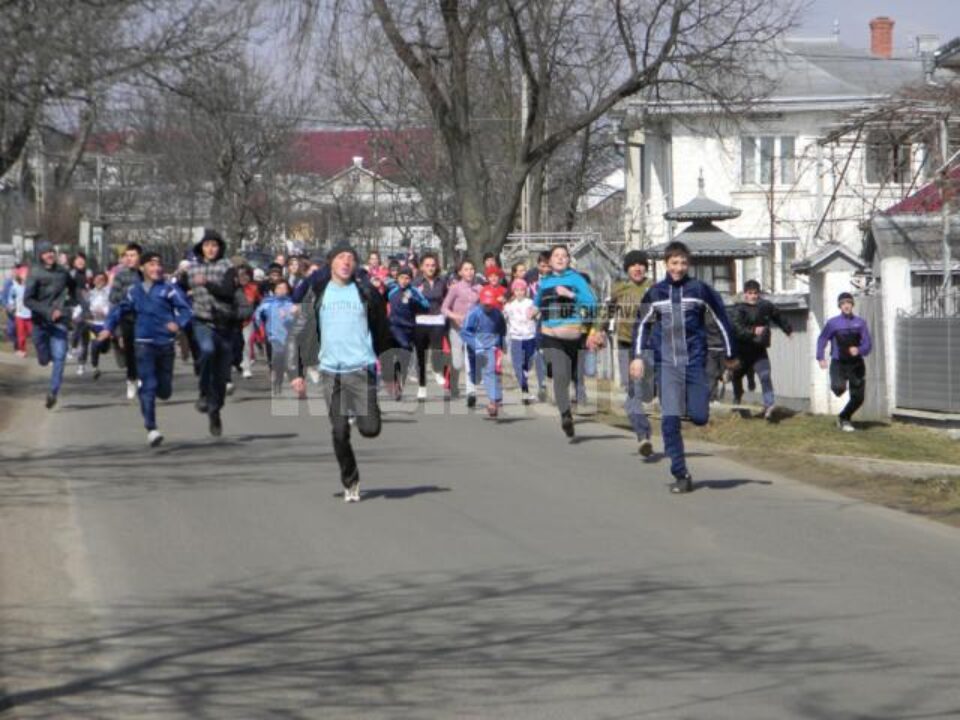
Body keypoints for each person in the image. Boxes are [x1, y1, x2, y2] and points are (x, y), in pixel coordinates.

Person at [288, 243, 392, 503]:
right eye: (341, 258)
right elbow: (298, 334)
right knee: (338, 432)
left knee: (370, 429)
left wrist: (390, 371)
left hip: (361, 368)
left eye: (351, 259)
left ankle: (361, 415)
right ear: (331, 263)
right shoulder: (317, 294)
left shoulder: (366, 293)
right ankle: (351, 480)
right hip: (331, 371)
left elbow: (382, 332)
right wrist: (296, 372)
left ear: (355, 266)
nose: (346, 262)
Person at [630, 241, 736, 494]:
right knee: (669, 421)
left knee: (700, 416)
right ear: (666, 264)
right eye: (674, 263)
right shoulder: (655, 293)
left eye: (683, 263)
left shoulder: (699, 290)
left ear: (688, 265)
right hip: (666, 364)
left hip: (694, 360)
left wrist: (730, 353)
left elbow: (721, 319)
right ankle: (681, 474)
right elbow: (641, 325)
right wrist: (637, 356)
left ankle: (688, 405)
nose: (678, 268)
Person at [99, 252, 192, 447]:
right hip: (143, 344)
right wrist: (108, 328)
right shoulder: (135, 291)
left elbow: (186, 310)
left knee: (165, 391)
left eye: (159, 264)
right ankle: (151, 428)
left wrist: (178, 323)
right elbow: (118, 310)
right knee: (149, 385)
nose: (156, 268)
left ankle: (147, 392)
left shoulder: (168, 290)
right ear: (143, 268)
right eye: (151, 264)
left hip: (165, 345)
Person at [532, 245, 598, 438]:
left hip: (573, 336)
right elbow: (537, 302)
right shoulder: (545, 282)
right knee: (561, 375)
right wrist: (533, 310)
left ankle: (566, 407)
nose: (560, 259)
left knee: (569, 376)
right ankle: (565, 414)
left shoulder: (576, 279)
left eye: (564, 256)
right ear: (550, 261)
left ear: (569, 260)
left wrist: (570, 295)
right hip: (551, 335)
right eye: (556, 256)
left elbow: (592, 304)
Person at [179, 228, 239, 437]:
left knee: (222, 377)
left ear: (219, 247)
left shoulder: (228, 267)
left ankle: (215, 411)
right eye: (207, 245)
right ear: (201, 248)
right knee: (206, 350)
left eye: (214, 245)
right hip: (201, 321)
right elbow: (176, 289)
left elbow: (228, 292)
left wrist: (207, 284)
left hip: (224, 324)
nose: (211, 249)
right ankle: (203, 392)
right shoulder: (192, 268)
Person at [607, 250, 654, 456]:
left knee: (643, 391)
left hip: (647, 345)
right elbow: (605, 311)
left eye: (641, 265)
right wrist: (596, 331)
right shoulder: (619, 288)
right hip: (625, 343)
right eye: (633, 265)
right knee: (631, 391)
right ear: (627, 269)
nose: (637, 268)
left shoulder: (654, 288)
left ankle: (643, 429)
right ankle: (643, 435)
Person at [23, 240, 77, 409]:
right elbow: (27, 300)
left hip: (59, 321)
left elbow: (74, 287)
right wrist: (47, 311)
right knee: (44, 360)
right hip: (40, 322)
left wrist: (73, 304)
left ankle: (53, 392)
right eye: (46, 252)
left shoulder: (63, 272)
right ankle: (45, 358)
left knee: (60, 357)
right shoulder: (35, 273)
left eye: (52, 251)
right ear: (40, 255)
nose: (50, 255)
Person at [730, 279, 793, 419]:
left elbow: (778, 317)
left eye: (755, 293)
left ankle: (769, 405)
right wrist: (753, 330)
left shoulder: (766, 306)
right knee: (737, 377)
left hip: (759, 350)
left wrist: (787, 329)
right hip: (742, 351)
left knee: (765, 376)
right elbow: (737, 329)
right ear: (745, 294)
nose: (753, 296)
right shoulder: (738, 309)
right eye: (750, 293)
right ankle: (737, 400)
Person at [817, 292, 872, 432]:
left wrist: (859, 350)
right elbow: (822, 339)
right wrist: (820, 357)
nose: (846, 305)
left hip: (856, 364)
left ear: (852, 304)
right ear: (839, 306)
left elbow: (868, 344)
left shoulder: (860, 323)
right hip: (839, 363)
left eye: (849, 302)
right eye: (843, 303)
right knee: (838, 388)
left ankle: (844, 418)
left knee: (858, 398)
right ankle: (839, 390)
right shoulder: (833, 323)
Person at [461, 285, 507, 418]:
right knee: (476, 377)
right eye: (486, 304)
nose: (488, 307)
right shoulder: (473, 313)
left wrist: (501, 344)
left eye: (490, 304)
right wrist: (476, 345)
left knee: (490, 371)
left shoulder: (497, 313)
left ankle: (494, 401)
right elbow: (465, 332)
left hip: (490, 347)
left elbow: (502, 329)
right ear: (481, 301)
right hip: (474, 347)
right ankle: (475, 378)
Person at [386, 266, 429, 401]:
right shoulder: (392, 291)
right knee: (403, 349)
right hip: (394, 327)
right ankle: (396, 384)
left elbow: (426, 306)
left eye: (407, 278)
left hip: (410, 327)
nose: (404, 281)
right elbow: (382, 300)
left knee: (405, 356)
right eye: (402, 278)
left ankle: (398, 381)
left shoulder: (414, 291)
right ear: (397, 278)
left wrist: (414, 300)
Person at [441, 259, 481, 403]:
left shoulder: (479, 288)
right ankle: (452, 384)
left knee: (471, 359)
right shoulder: (455, 288)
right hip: (456, 329)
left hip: (472, 330)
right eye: (466, 269)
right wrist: (455, 316)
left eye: (471, 269)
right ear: (460, 272)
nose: (469, 272)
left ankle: (471, 392)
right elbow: (444, 308)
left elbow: (484, 307)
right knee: (457, 363)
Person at [412, 252, 449, 401]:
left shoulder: (442, 281)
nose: (430, 268)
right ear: (421, 267)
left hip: (437, 319)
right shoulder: (416, 282)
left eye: (433, 265)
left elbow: (446, 298)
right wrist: (414, 295)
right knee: (421, 355)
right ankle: (422, 387)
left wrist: (446, 313)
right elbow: (407, 300)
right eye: (427, 265)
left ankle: (437, 370)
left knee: (438, 349)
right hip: (421, 320)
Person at [110, 243, 144, 400]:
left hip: (146, 318)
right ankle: (131, 379)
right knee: (130, 351)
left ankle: (143, 377)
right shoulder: (121, 275)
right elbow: (113, 297)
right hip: (128, 317)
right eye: (127, 256)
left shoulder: (146, 273)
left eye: (133, 255)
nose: (129, 259)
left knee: (145, 350)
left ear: (140, 257)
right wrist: (127, 295)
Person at [254, 279, 296, 395]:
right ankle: (277, 383)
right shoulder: (268, 304)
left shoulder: (291, 304)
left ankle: (286, 381)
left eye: (284, 288)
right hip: (272, 338)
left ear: (288, 290)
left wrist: (289, 315)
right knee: (276, 360)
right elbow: (257, 317)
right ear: (274, 290)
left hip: (288, 338)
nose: (282, 290)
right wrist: (259, 329)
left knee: (287, 362)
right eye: (279, 288)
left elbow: (297, 321)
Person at [503, 278, 538, 404]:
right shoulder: (509, 306)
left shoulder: (530, 302)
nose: (519, 292)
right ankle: (524, 390)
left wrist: (535, 314)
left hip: (529, 337)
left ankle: (524, 379)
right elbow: (502, 318)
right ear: (513, 291)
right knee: (517, 365)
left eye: (522, 290)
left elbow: (537, 314)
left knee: (527, 364)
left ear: (525, 291)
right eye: (517, 290)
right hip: (516, 338)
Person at [80, 271, 112, 380]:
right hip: (93, 324)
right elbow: (83, 308)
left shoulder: (109, 293)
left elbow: (113, 308)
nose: (99, 282)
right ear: (93, 281)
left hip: (105, 325)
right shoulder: (90, 294)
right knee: (95, 345)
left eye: (102, 280)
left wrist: (104, 311)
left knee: (103, 348)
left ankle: (106, 346)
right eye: (97, 279)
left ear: (105, 281)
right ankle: (95, 367)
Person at [8, 265, 32, 358]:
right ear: (19, 275)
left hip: (30, 314)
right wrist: (12, 306)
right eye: (23, 274)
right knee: (21, 335)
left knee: (34, 333)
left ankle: (43, 351)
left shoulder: (31, 286)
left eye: (27, 274)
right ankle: (22, 350)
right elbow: (11, 298)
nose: (25, 275)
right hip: (20, 314)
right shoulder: (15, 287)